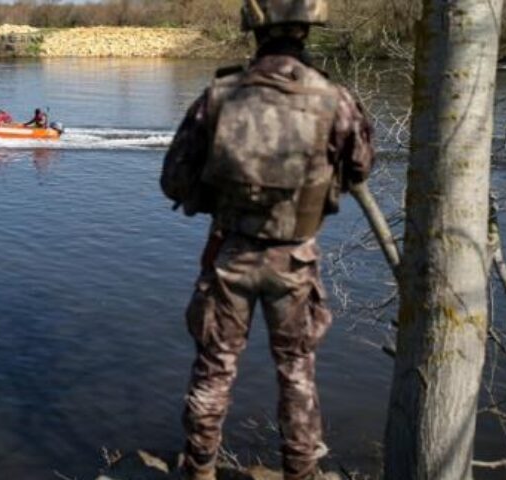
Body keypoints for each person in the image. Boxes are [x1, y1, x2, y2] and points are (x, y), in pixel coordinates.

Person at [160, 1, 374, 479]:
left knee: (214, 368)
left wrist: (215, 191)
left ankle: (199, 470)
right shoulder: (332, 98)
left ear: (253, 32)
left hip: (230, 252)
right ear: (305, 33)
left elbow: (173, 180)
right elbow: (360, 166)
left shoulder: (219, 95)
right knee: (297, 371)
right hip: (295, 258)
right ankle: (300, 473)